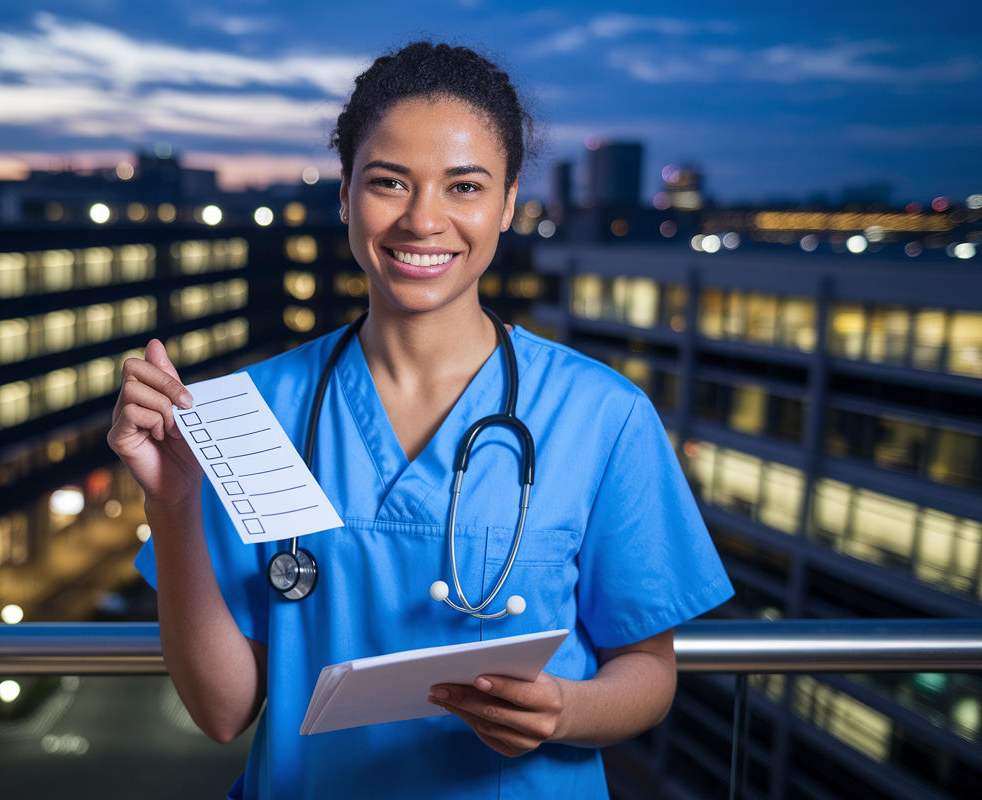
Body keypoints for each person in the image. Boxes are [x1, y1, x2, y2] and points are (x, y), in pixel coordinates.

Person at [109, 41, 733, 800]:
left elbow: (648, 674)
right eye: (388, 183)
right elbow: (223, 711)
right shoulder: (250, 412)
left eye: (464, 186)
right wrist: (170, 502)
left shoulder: (603, 415)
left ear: (507, 205)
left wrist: (564, 711)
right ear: (344, 195)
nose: (423, 220)